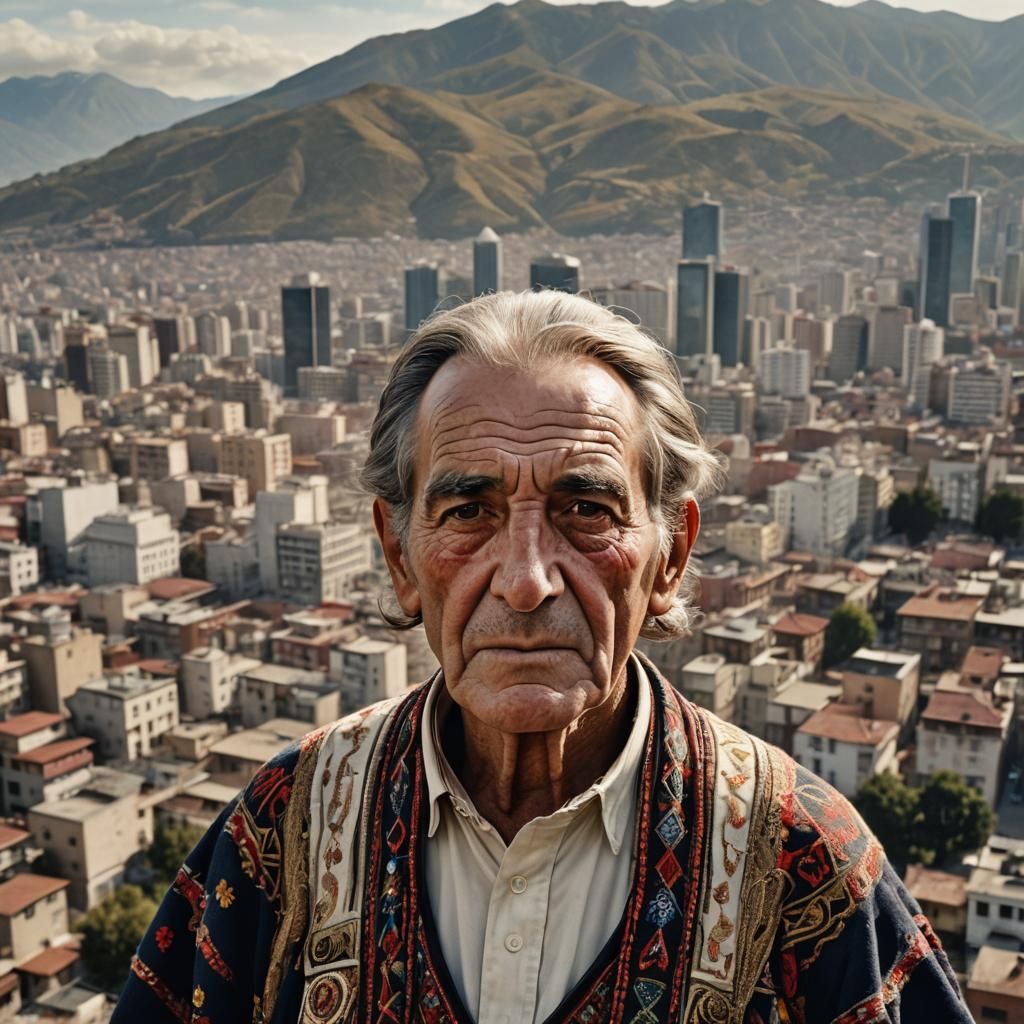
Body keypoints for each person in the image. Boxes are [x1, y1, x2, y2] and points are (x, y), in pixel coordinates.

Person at [112, 290, 971, 1024]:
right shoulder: (288, 828)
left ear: (670, 556)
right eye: (468, 512)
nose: (525, 581)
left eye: (586, 509)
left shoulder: (800, 861)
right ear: (399, 555)